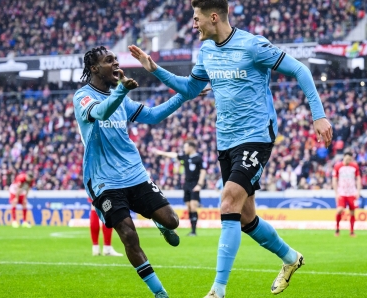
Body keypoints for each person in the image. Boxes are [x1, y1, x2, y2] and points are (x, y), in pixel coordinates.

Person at [129, 1, 333, 296]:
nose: (194, 24)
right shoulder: (207, 52)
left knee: (227, 202)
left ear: (214, 17)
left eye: (197, 18)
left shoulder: (253, 46)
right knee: (246, 216)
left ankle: (218, 289)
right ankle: (291, 258)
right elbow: (190, 89)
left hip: (256, 137)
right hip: (226, 141)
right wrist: (155, 69)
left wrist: (319, 114)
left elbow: (300, 70)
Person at [73, 46, 208, 298]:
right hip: (104, 180)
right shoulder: (83, 97)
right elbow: (101, 112)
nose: (116, 64)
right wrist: (123, 89)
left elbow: (154, 116)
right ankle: (159, 293)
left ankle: (161, 223)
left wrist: (185, 96)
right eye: (109, 61)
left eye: (116, 60)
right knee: (128, 234)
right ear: (94, 68)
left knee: (173, 220)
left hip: (134, 174)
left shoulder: (121, 97)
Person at [154, 140, 206, 236]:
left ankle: (194, 231)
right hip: (186, 185)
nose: (184, 149)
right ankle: (192, 230)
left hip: (195, 185)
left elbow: (203, 171)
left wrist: (199, 185)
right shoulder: (185, 157)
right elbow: (174, 155)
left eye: (186, 147)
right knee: (189, 207)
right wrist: (161, 153)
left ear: (191, 147)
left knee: (194, 206)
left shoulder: (198, 158)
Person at [332, 152, 361, 237]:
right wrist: (336, 192)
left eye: (350, 159)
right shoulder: (338, 166)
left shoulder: (354, 166)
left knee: (352, 212)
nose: (349, 161)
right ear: (344, 157)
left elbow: (358, 179)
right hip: (342, 192)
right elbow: (334, 180)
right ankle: (337, 229)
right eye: (347, 159)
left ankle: (352, 231)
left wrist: (358, 191)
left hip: (352, 192)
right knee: (340, 210)